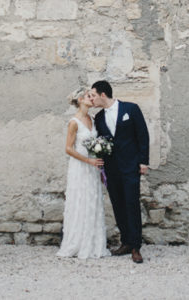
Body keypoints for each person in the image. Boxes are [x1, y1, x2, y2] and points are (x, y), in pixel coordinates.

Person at [89, 80, 149, 264]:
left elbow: (142, 135)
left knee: (131, 203)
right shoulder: (99, 117)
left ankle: (136, 247)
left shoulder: (131, 109)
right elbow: (101, 142)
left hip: (130, 166)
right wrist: (101, 167)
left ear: (103, 94)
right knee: (118, 204)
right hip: (111, 168)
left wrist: (143, 162)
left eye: (93, 95)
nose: (91, 99)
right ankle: (125, 241)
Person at [56, 88, 110, 259]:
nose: (92, 99)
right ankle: (77, 243)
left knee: (92, 201)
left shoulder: (92, 119)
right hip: (80, 167)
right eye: (88, 96)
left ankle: (94, 244)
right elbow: (68, 149)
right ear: (80, 99)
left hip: (93, 167)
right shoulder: (74, 122)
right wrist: (88, 161)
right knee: (80, 201)